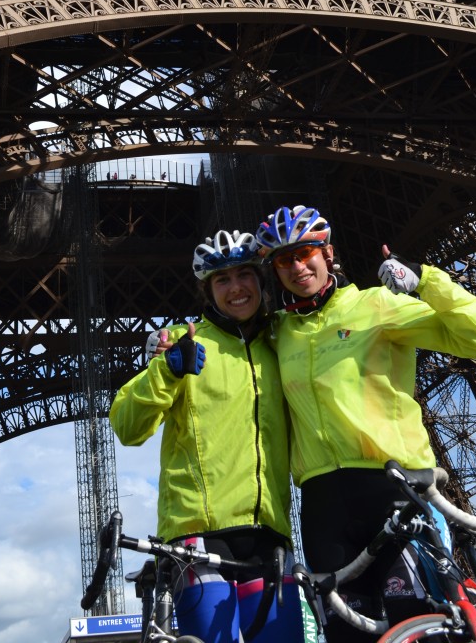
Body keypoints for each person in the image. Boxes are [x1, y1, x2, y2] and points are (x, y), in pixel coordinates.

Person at [255, 204, 476, 642]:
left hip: (392, 486)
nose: (296, 266)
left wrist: (426, 279)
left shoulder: (376, 304)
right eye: (282, 260)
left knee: (418, 622)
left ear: (327, 253)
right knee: (345, 634)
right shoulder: (277, 333)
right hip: (323, 502)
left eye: (305, 252)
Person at [109, 230, 311, 643]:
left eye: (244, 275)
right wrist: (166, 371)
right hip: (198, 533)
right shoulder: (183, 344)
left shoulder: (282, 343)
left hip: (268, 534)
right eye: (222, 280)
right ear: (207, 290)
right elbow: (128, 428)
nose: (236, 287)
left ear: (260, 280)